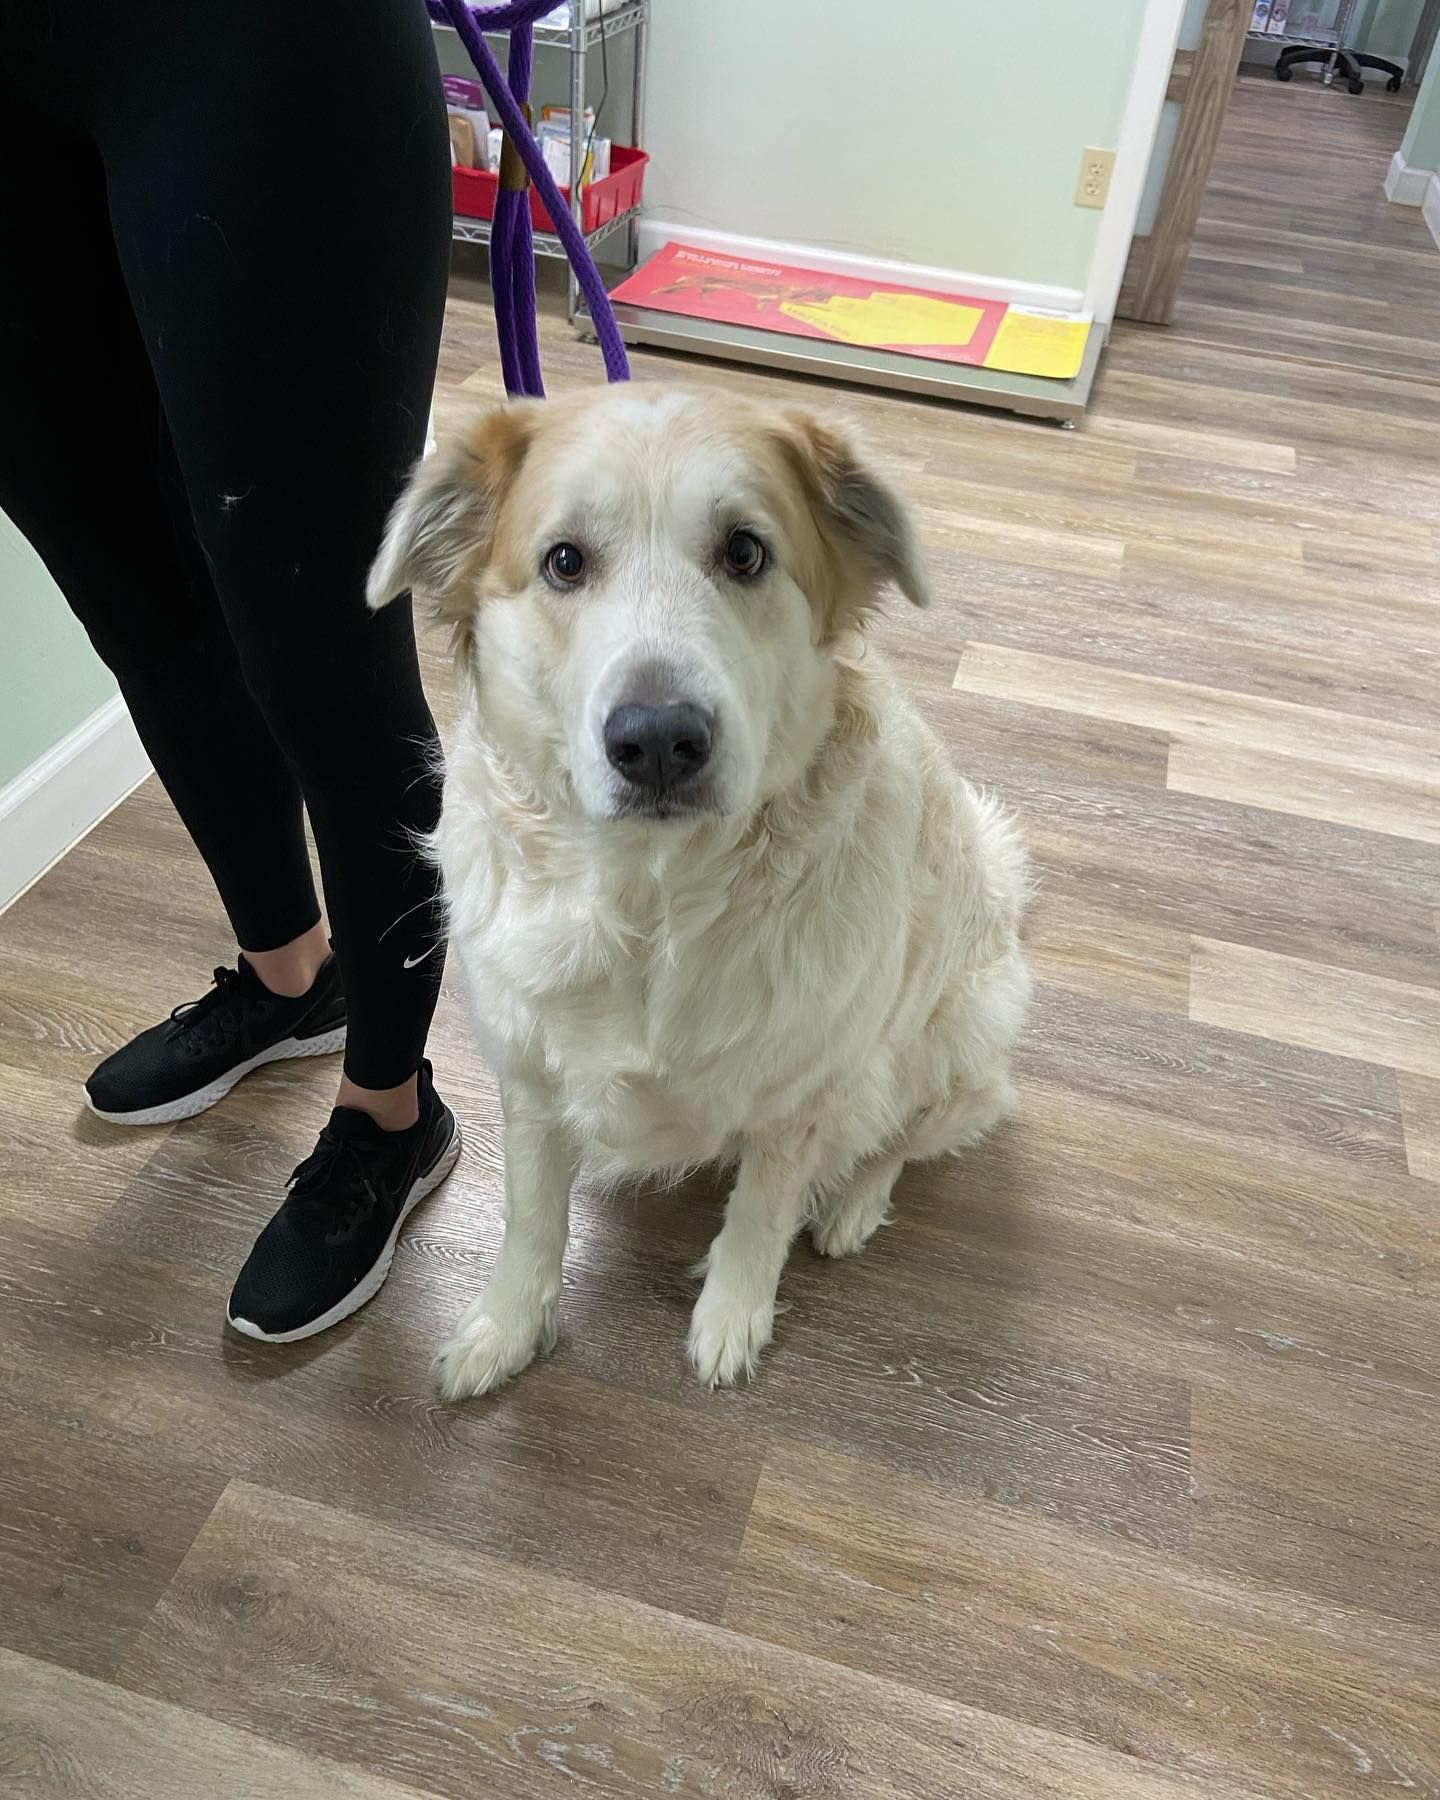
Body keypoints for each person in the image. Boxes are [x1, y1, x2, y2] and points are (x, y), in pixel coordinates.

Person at [0, 1, 462, 1341]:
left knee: (326, 650)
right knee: (134, 602)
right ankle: (290, 975)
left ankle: (392, 1112)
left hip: (257, 40)